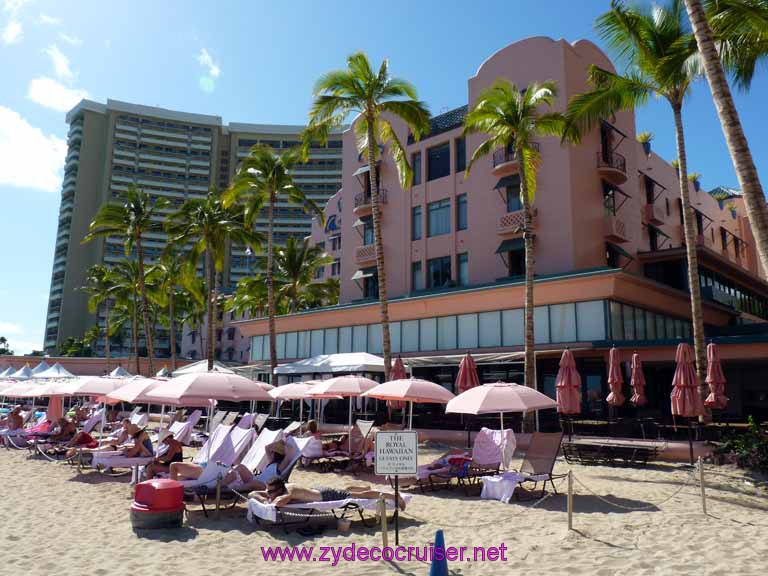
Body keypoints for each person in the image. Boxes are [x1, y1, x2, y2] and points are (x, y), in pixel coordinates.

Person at [252, 477, 407, 511]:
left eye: (271, 490)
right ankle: (360, 487)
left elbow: (278, 503)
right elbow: (253, 493)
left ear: (279, 489)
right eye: (268, 489)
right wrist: (264, 495)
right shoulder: (281, 488)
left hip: (326, 496)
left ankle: (393, 496)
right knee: (349, 491)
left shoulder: (289, 491)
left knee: (360, 496)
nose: (268, 492)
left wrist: (267, 500)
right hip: (318, 489)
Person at [221, 441, 289, 490]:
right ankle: (221, 484)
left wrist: (286, 444)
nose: (270, 453)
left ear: (276, 454)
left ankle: (231, 490)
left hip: (265, 485)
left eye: (272, 452)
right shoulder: (271, 462)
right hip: (255, 479)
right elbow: (267, 447)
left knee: (253, 483)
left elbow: (290, 453)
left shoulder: (280, 466)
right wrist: (280, 442)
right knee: (240, 466)